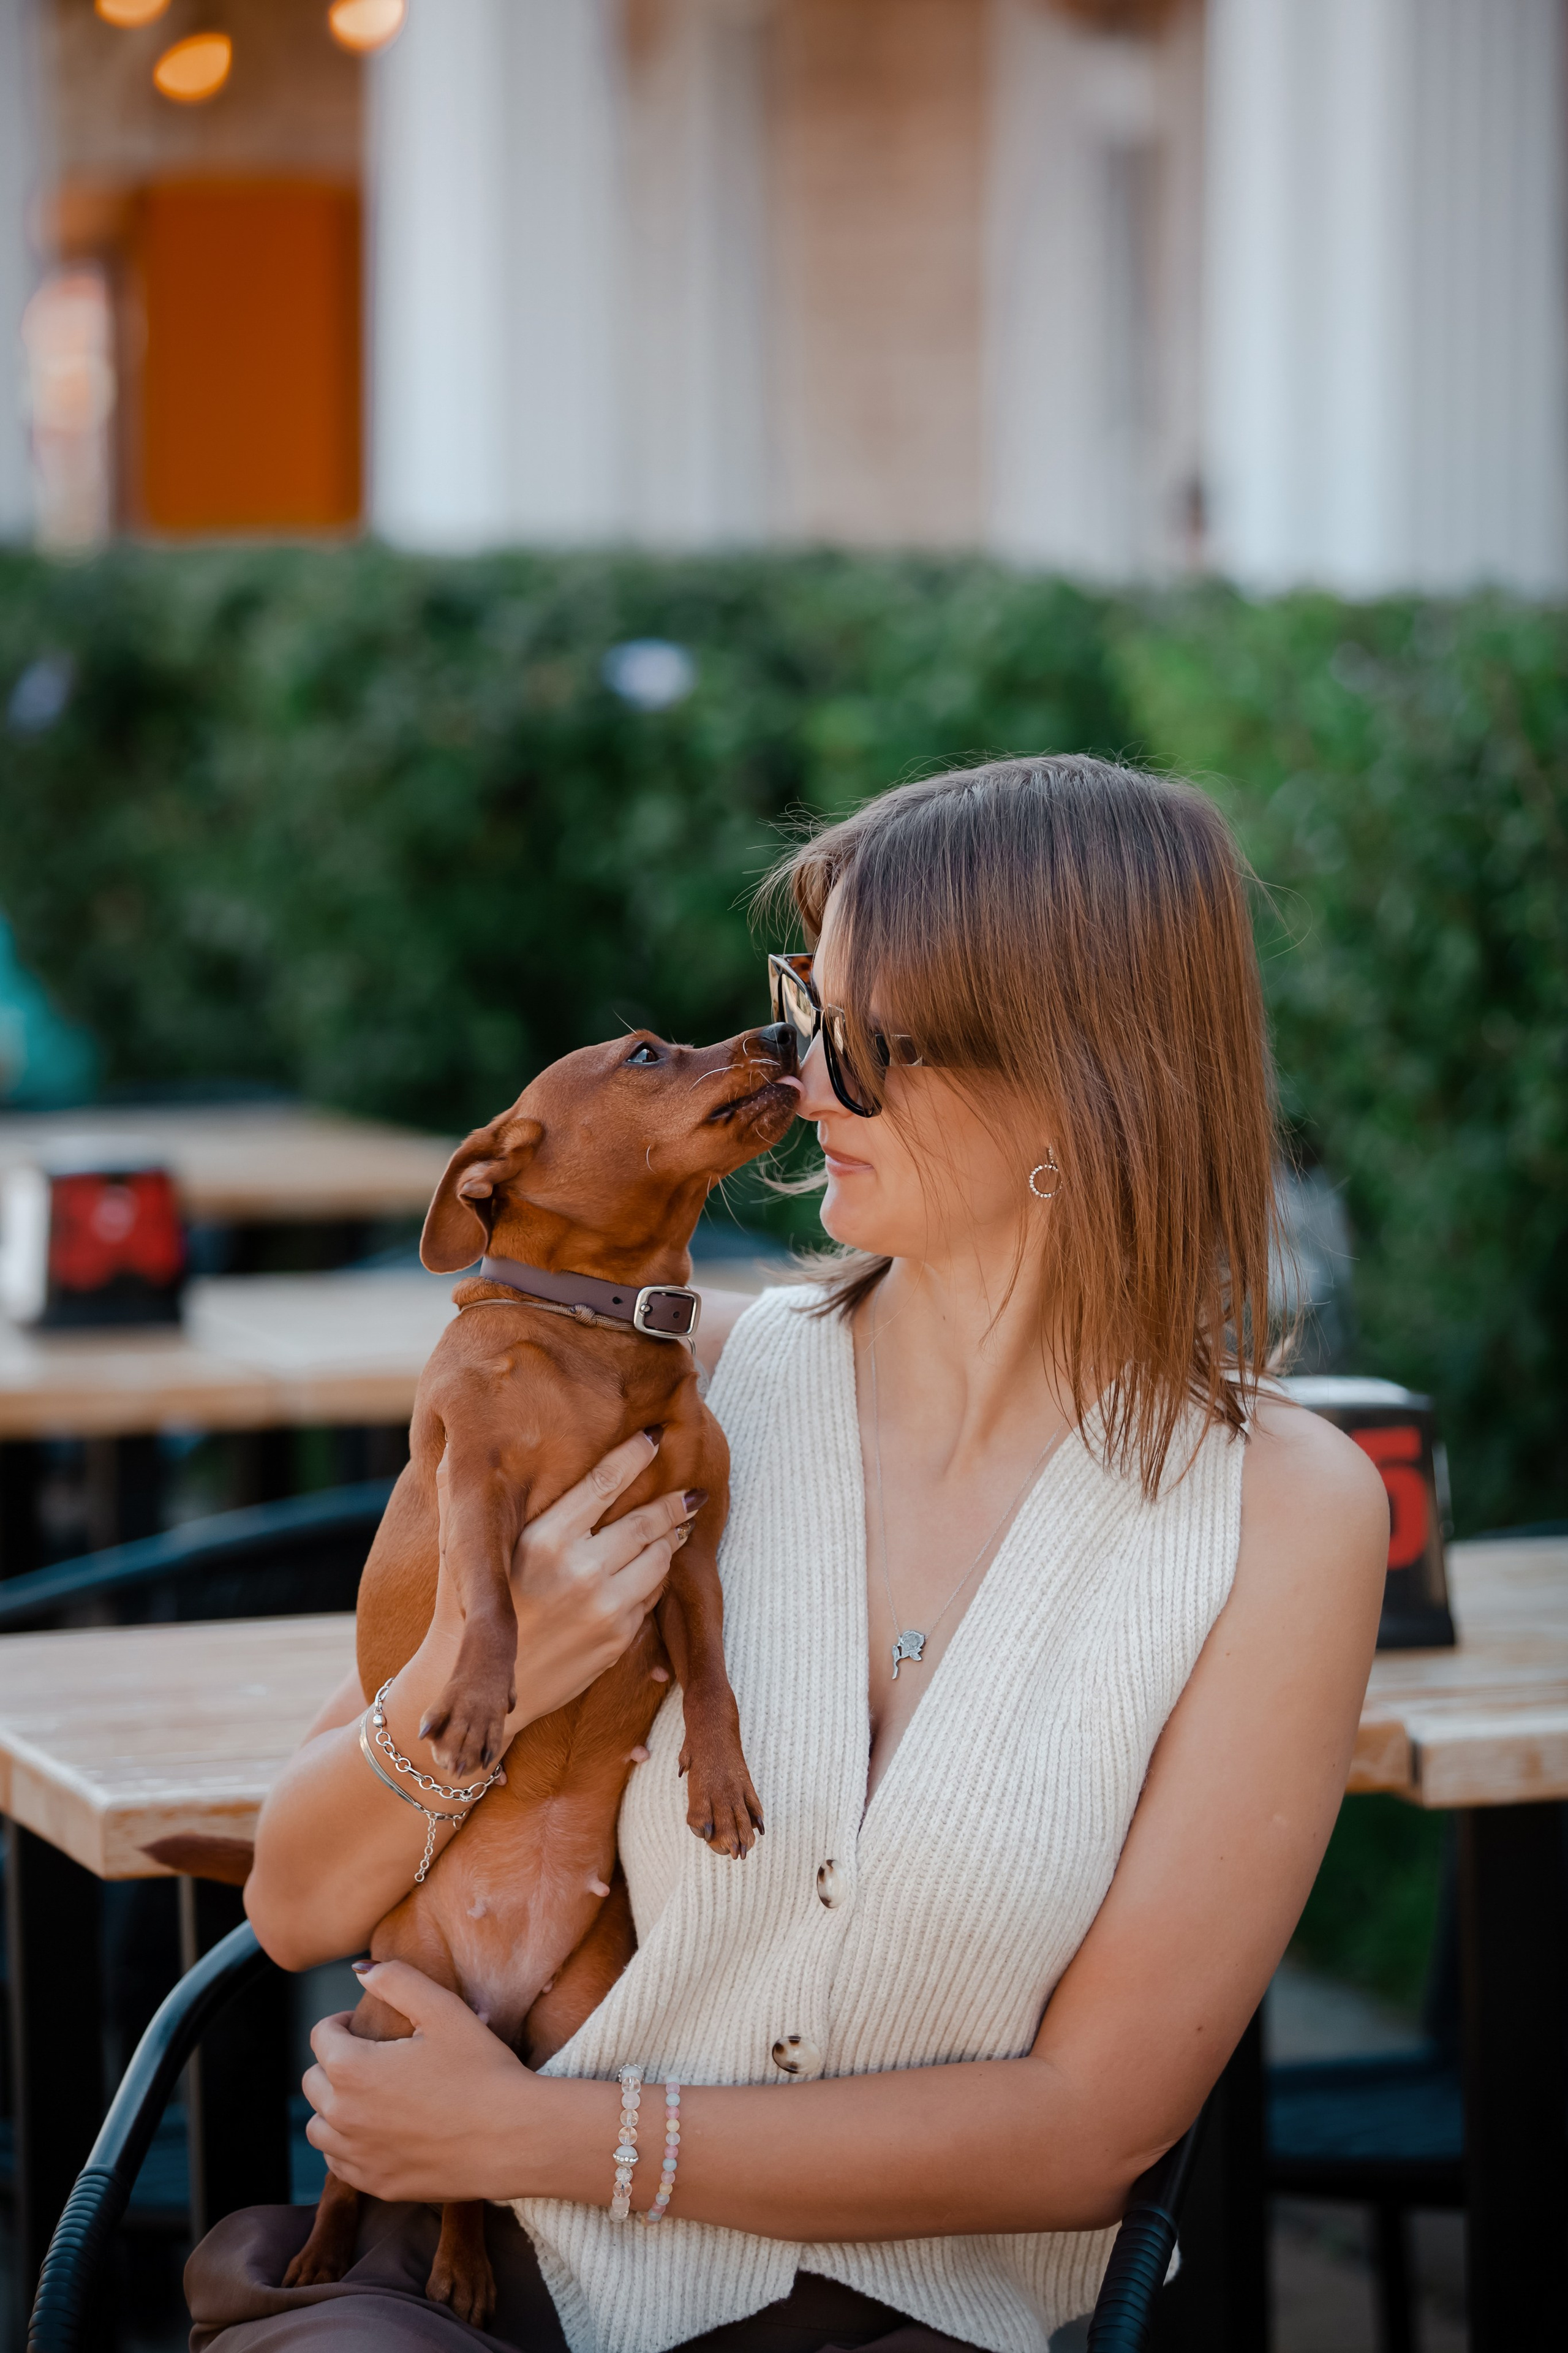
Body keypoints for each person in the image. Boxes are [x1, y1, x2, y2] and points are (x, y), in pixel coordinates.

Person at [203, 757, 1387, 2353]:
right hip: (500, 2292)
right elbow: (294, 1895)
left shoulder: (1284, 1510)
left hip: (916, 2323)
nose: (803, 1074)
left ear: (1075, 1073)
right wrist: (490, 1671)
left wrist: (552, 2138)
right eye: (801, 1004)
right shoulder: (679, 1386)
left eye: (862, 1035)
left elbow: (1094, 2125)